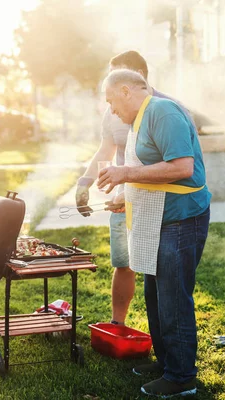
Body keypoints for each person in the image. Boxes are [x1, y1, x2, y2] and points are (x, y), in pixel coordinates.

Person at [97, 69, 211, 397]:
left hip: (181, 219)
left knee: (173, 298)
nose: (111, 109)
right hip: (155, 218)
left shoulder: (163, 111)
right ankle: (166, 362)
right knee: (154, 293)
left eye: (111, 101)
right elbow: (152, 171)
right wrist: (124, 196)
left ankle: (181, 377)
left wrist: (124, 174)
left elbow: (182, 168)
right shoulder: (138, 119)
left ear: (126, 91)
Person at [76, 50, 194, 326]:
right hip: (123, 195)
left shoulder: (167, 108)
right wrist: (86, 181)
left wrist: (129, 179)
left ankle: (170, 348)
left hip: (162, 206)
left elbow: (182, 165)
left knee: (160, 273)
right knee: (123, 262)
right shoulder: (112, 109)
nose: (110, 85)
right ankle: (118, 325)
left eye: (115, 76)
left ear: (135, 79)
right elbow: (107, 147)